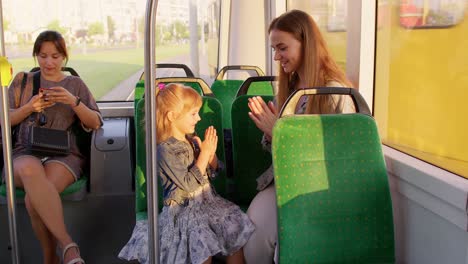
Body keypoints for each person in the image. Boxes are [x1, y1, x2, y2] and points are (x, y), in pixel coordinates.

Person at [243, 10, 356, 263]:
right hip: (285, 179)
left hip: (319, 188)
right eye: (274, 49)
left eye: (282, 48)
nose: (276, 56)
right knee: (251, 237)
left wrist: (279, 133)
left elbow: (341, 158)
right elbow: (278, 149)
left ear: (306, 42)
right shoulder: (290, 91)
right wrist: (272, 135)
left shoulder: (336, 93)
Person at [119, 83, 254, 264]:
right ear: (172, 116)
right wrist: (204, 155)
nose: (198, 118)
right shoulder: (165, 150)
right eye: (193, 114)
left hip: (207, 203)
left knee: (234, 231)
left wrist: (210, 156)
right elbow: (189, 183)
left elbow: (217, 172)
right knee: (201, 243)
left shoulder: (192, 141)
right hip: (183, 211)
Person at [7, 30, 102, 264]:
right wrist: (29, 108)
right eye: (43, 56)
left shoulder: (75, 85)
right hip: (25, 151)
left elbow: (96, 122)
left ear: (64, 57)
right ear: (36, 56)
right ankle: (68, 245)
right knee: (29, 171)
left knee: (33, 199)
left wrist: (73, 101)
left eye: (55, 56)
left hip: (63, 155)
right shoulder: (23, 81)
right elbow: (5, 118)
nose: (49, 62)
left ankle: (50, 258)